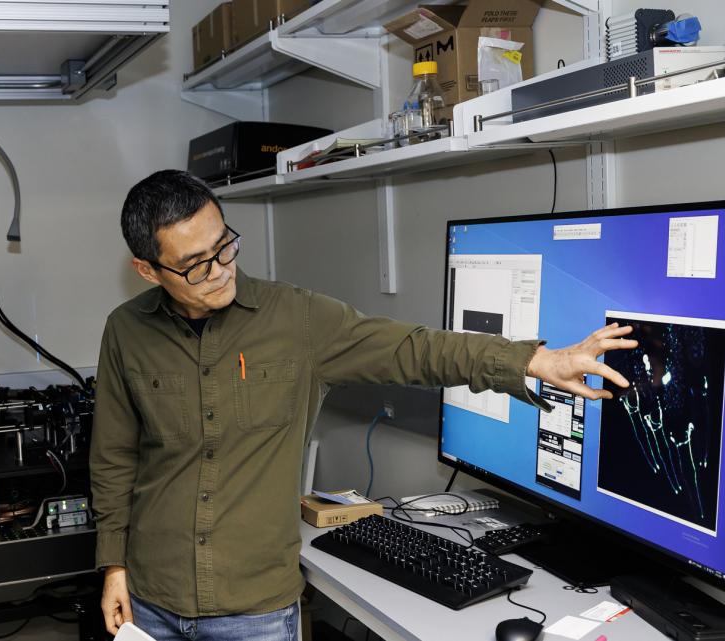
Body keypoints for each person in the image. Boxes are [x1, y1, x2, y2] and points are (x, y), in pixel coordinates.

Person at [90, 170, 635, 640]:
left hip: (251, 608)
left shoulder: (298, 319)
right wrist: (114, 566)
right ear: (148, 270)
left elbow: (414, 347)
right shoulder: (125, 331)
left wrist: (534, 362)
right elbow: (114, 458)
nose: (221, 270)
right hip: (151, 596)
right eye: (196, 265)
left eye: (224, 246)